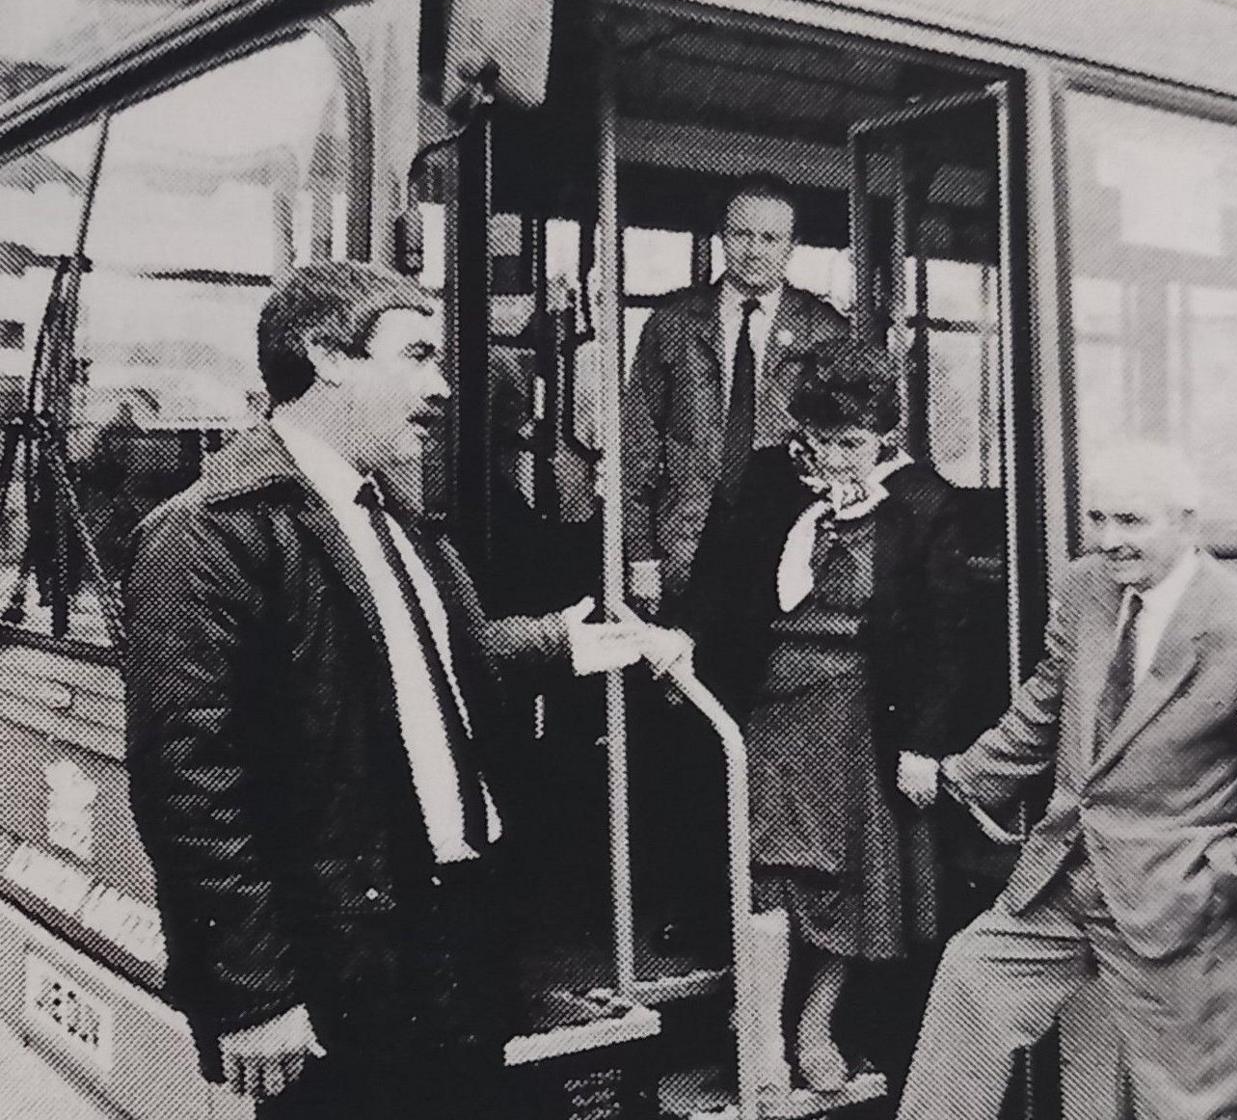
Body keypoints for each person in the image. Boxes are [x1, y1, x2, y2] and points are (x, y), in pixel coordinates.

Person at [121, 262, 666, 1118]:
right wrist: (257, 995)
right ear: (326, 357)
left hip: (454, 927)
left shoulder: (390, 517)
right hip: (342, 956)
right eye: (415, 356)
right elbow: (192, 790)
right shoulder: (206, 536)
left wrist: (560, 645)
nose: (442, 387)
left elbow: (415, 661)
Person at [890, 441, 1237, 1120]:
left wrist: (1223, 880)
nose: (1109, 541)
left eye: (1130, 522)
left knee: (1180, 1102)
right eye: (1098, 520)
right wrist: (962, 776)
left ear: (1186, 521)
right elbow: (1046, 702)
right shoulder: (1085, 586)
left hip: (1174, 897)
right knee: (971, 981)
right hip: (1066, 871)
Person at [669, 342, 970, 1091]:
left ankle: (815, 1022)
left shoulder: (926, 503)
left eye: (852, 445)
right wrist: (685, 641)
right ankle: (761, 1027)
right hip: (770, 697)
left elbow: (943, 637)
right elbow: (715, 577)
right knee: (766, 866)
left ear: (887, 440)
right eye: (818, 441)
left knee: (847, 881)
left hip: (862, 708)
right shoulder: (769, 478)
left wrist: (924, 746)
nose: (834, 460)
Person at [621, 171, 850, 614]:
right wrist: (641, 556)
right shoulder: (672, 325)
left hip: (785, 548)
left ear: (791, 244)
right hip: (684, 542)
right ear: (723, 236)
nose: (755, 250)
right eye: (743, 234)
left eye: (770, 237)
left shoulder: (825, 331)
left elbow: (853, 449)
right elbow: (637, 450)